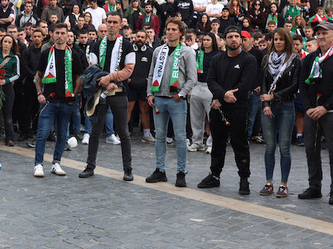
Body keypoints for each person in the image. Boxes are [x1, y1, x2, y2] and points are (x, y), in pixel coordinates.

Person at [298, 20, 333, 205]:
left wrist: (326, 107)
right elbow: (302, 85)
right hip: (312, 111)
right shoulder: (310, 58)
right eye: (318, 33)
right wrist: (307, 108)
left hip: (332, 111)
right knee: (311, 150)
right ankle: (314, 186)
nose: (321, 36)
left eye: (325, 33)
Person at [197, 27, 258, 194]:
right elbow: (211, 81)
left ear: (241, 40)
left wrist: (224, 96)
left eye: (237, 37)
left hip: (238, 107)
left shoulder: (249, 59)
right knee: (218, 143)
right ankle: (214, 176)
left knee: (240, 143)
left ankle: (244, 178)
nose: (234, 40)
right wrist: (223, 95)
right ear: (224, 40)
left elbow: (246, 84)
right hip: (218, 106)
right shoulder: (218, 59)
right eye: (230, 37)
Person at [79, 13, 136, 181]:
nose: (111, 25)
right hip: (100, 91)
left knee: (123, 133)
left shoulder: (127, 45)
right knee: (95, 131)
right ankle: (90, 166)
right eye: (109, 22)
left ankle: (128, 169)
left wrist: (110, 79)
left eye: (114, 22)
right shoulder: (96, 45)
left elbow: (129, 69)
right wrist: (104, 82)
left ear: (120, 26)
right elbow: (92, 69)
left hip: (118, 92)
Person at [145, 17, 197, 187]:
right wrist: (150, 94)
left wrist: (181, 94)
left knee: (180, 138)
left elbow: (192, 78)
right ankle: (160, 170)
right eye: (168, 29)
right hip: (159, 99)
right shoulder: (158, 51)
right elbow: (152, 74)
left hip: (176, 100)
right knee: (160, 136)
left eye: (174, 29)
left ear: (181, 32)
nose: (170, 32)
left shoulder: (187, 52)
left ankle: (181, 172)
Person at [34, 22, 83, 177]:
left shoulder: (73, 54)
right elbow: (38, 76)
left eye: (63, 33)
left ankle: (56, 163)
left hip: (66, 101)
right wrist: (39, 93)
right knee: (42, 133)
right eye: (57, 33)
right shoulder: (46, 53)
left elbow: (78, 77)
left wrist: (74, 95)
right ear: (52, 34)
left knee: (62, 135)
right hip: (49, 101)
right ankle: (38, 164)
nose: (60, 36)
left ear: (68, 35)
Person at [258, 29, 301, 198]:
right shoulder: (266, 58)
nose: (277, 42)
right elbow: (263, 83)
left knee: (284, 147)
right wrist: (266, 103)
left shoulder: (295, 60)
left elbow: (295, 85)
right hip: (269, 106)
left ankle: (284, 184)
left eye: (281, 39)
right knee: (269, 146)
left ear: (287, 41)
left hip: (286, 105)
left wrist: (274, 96)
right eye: (275, 39)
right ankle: (269, 182)